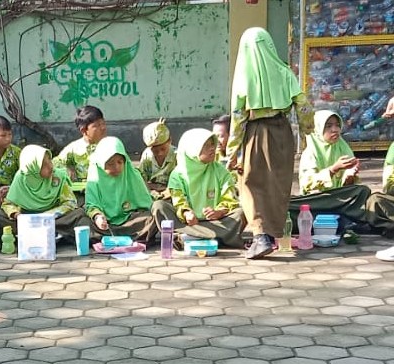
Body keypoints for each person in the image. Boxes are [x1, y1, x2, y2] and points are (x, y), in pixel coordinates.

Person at [226, 27, 314, 260]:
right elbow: (303, 105)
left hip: (256, 133)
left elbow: (238, 117)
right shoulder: (285, 72)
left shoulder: (244, 78)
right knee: (277, 184)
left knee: (251, 184)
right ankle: (273, 233)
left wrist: (232, 151)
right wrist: (307, 132)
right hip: (283, 132)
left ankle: (260, 237)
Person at [291, 110, 394, 236]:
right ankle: (348, 219)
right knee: (293, 207)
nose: (335, 130)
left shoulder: (342, 147)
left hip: (337, 199)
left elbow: (345, 189)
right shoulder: (311, 152)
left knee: (362, 191)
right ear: (318, 129)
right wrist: (333, 169)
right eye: (328, 126)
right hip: (317, 199)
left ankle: (347, 219)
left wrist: (349, 177)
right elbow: (308, 184)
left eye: (337, 125)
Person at [153, 129, 246, 248]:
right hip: (188, 223)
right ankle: (215, 237)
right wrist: (186, 213)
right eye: (206, 146)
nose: (212, 148)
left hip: (216, 221)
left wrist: (219, 211)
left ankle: (190, 237)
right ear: (192, 150)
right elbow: (178, 201)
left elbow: (229, 198)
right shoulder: (177, 174)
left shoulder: (221, 171)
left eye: (212, 144)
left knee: (241, 213)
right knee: (159, 206)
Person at [0, 145, 95, 243]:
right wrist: (17, 215)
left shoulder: (58, 176)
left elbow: (70, 203)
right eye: (44, 164)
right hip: (27, 219)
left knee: (79, 214)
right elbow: (8, 203)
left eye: (49, 160)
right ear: (32, 167)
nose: (50, 166)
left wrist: (47, 215)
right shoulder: (21, 177)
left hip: (54, 219)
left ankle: (49, 233)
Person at [84, 137, 158, 243]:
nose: (116, 167)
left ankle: (108, 239)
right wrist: (98, 217)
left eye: (120, 162)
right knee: (81, 220)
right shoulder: (95, 176)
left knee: (153, 218)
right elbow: (91, 204)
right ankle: (125, 238)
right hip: (104, 225)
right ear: (101, 163)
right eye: (110, 164)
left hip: (130, 221)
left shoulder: (132, 174)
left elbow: (145, 203)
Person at [54, 105, 108, 183]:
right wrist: (67, 170)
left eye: (103, 123)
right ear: (83, 130)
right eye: (97, 125)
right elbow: (56, 164)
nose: (103, 128)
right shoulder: (74, 148)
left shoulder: (110, 145)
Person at [138, 119, 177, 197]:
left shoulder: (177, 155)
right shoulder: (147, 155)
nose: (160, 153)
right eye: (155, 151)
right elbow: (140, 179)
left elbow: (182, 180)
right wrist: (151, 189)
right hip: (152, 191)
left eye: (163, 149)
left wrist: (168, 190)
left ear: (170, 141)